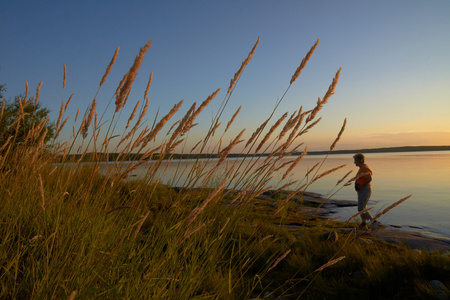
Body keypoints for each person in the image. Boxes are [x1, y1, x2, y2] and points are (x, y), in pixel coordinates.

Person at [353, 153, 378, 232]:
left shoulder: (364, 167)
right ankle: (364, 225)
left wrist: (361, 185)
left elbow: (369, 178)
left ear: (360, 160)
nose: (354, 162)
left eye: (355, 160)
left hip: (365, 190)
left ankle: (374, 221)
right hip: (362, 190)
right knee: (361, 208)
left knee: (361, 208)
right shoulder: (362, 168)